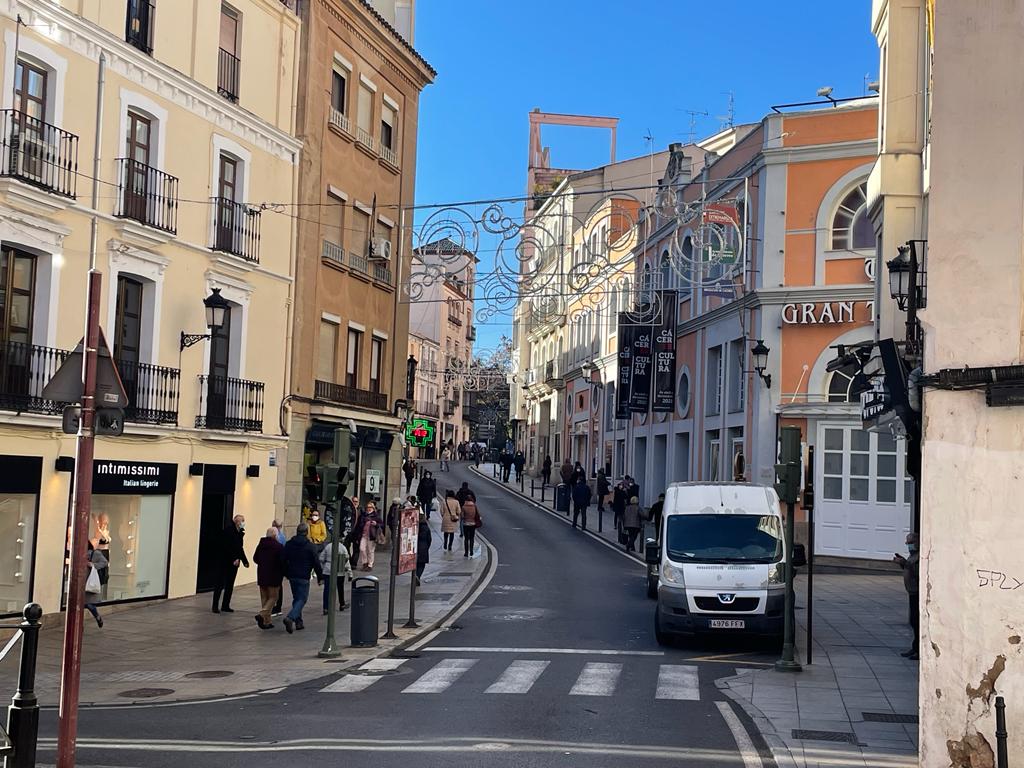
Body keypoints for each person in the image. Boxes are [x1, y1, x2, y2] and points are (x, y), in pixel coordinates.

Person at [281, 522, 323, 634]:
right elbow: (316, 562)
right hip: (304, 575)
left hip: (292, 575)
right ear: (306, 533)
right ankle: (290, 617)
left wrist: (286, 572)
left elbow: (283, 559)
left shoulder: (289, 544)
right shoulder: (310, 546)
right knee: (302, 599)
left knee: (296, 598)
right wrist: (320, 577)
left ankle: (299, 622)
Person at [212, 515, 249, 614]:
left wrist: (244, 561)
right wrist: (234, 558)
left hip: (235, 563)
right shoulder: (228, 531)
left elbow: (240, 548)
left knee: (230, 584)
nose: (243, 522)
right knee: (220, 584)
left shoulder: (240, 533)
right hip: (225, 562)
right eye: (242, 521)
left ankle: (225, 605)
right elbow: (226, 546)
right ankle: (215, 605)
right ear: (237, 522)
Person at [894, 532, 920, 660]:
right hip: (912, 591)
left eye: (910, 543)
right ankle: (915, 647)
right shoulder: (913, 556)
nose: (908, 545)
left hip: (917, 592)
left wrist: (905, 563)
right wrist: (902, 563)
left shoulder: (919, 557)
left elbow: (917, 572)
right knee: (914, 621)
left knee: (916, 621)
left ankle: (918, 649)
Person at [253, 527, 284, 629]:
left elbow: (255, 558)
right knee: (273, 597)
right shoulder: (278, 546)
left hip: (262, 575)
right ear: (275, 535)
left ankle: (267, 621)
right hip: (274, 576)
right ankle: (262, 615)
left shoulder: (261, 545)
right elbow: (282, 561)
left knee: (264, 598)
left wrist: (263, 564)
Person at [319, 536, 353, 614]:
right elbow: (346, 560)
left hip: (328, 571)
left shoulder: (328, 546)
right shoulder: (343, 548)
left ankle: (326, 608)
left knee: (327, 590)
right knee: (340, 588)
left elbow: (321, 558)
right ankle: (342, 604)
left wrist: (324, 567)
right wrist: (350, 573)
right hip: (339, 571)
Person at [84, 541, 107, 628]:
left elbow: (104, 562)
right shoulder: (78, 553)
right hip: (81, 582)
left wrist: (93, 565)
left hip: (90, 581)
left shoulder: (95, 553)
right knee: (81, 604)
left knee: (89, 604)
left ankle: (97, 617)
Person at [358, 501, 382, 571]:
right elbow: (360, 525)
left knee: (370, 551)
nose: (369, 508)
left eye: (370, 507)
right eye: (368, 507)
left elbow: (382, 525)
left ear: (373, 508)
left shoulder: (376, 516)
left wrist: (376, 524)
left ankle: (370, 565)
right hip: (364, 535)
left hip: (372, 536)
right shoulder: (364, 515)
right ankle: (364, 563)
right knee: (362, 549)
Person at [271, 520, 287, 616]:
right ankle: (277, 606)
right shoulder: (282, 537)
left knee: (276, 587)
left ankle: (276, 606)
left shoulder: (279, 537)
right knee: (278, 586)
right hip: (278, 566)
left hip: (276, 566)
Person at [416, 510, 432, 586]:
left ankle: (416, 575)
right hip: (424, 547)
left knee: (416, 563)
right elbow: (429, 539)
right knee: (422, 564)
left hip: (415, 547)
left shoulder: (415, 526)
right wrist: (427, 547)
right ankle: (418, 576)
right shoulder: (426, 528)